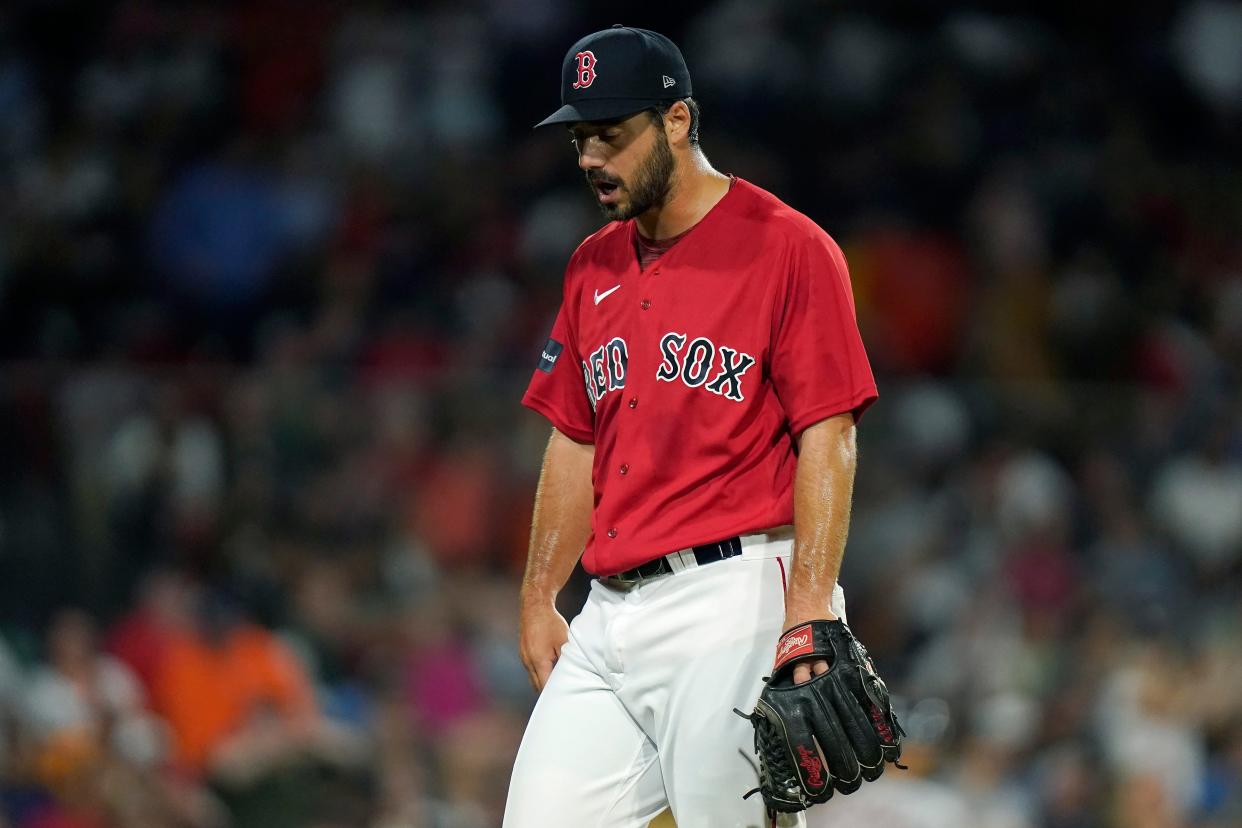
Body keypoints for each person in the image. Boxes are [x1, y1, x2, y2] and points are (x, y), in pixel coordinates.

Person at [506, 25, 879, 828]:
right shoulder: (591, 265)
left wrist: (809, 602)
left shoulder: (789, 248)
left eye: (611, 133)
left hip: (735, 597)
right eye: (579, 138)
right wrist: (540, 594)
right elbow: (574, 440)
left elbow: (830, 433)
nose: (590, 158)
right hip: (608, 611)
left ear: (677, 121)